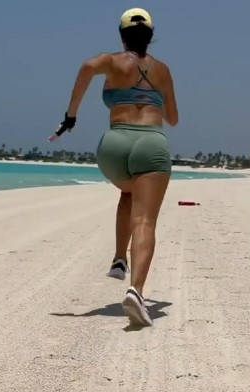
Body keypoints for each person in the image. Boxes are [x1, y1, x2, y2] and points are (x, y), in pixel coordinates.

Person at [49, 8, 179, 327]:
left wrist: (71, 116)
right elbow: (173, 119)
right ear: (150, 37)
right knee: (145, 220)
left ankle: (120, 258)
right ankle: (136, 291)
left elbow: (85, 67)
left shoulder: (109, 61)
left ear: (122, 36)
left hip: (114, 146)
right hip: (150, 144)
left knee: (128, 191)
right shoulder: (162, 70)